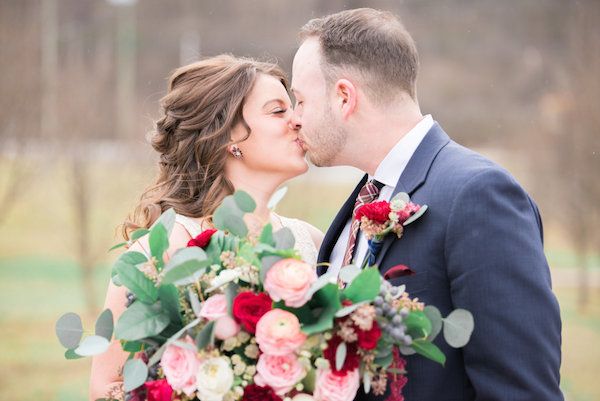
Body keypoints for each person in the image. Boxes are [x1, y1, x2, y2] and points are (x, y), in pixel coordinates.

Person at [290, 8, 563, 401]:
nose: (295, 118)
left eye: (300, 100)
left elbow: (521, 389)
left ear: (344, 97)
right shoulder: (365, 197)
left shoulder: (477, 195)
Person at [89, 54, 323, 400]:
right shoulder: (158, 253)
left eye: (294, 107)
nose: (298, 121)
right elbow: (105, 390)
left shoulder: (312, 241)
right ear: (228, 133)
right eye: (278, 111)